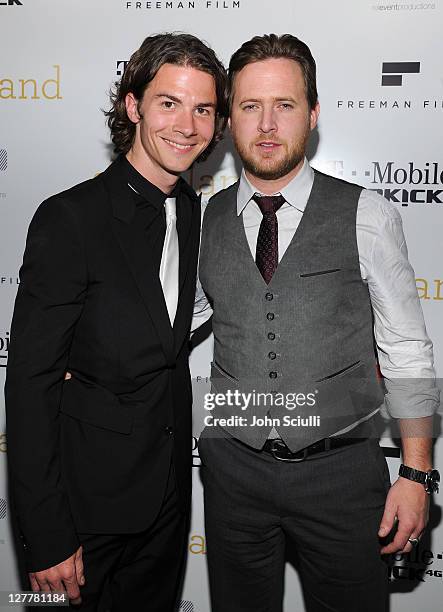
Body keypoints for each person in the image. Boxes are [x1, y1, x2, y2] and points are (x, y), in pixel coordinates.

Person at [197, 34, 439, 612]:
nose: (267, 124)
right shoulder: (202, 216)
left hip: (343, 476)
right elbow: (178, 321)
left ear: (314, 113)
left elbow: (407, 347)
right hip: (232, 474)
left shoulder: (367, 214)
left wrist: (416, 473)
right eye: (250, 106)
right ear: (230, 119)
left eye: (285, 105)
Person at [5, 32, 227, 611]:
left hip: (169, 503)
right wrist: (47, 534)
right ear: (133, 106)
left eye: (203, 108)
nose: (187, 125)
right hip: (84, 514)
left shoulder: (198, 215)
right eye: (169, 103)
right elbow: (30, 385)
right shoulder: (69, 219)